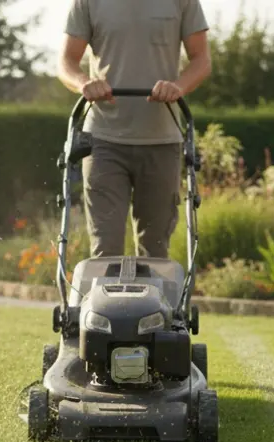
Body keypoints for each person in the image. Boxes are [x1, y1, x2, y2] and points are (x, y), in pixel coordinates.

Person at [59, 0, 212, 260]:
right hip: (104, 140)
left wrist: (178, 87)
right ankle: (104, 301)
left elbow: (201, 60)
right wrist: (84, 82)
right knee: (105, 248)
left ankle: (152, 302)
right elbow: (66, 61)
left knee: (154, 249)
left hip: (162, 140)